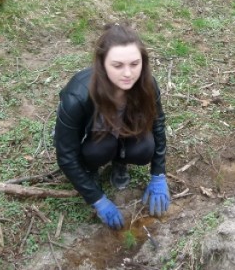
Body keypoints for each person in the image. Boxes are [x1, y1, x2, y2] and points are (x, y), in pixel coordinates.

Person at [54, 23, 170, 229]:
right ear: (102, 64)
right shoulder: (77, 96)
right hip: (94, 139)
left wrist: (158, 174)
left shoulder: (147, 85)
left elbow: (158, 124)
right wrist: (96, 198)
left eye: (135, 64)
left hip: (127, 131)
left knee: (144, 149)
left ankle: (120, 163)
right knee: (98, 151)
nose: (128, 74)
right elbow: (66, 155)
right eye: (118, 65)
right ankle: (91, 171)